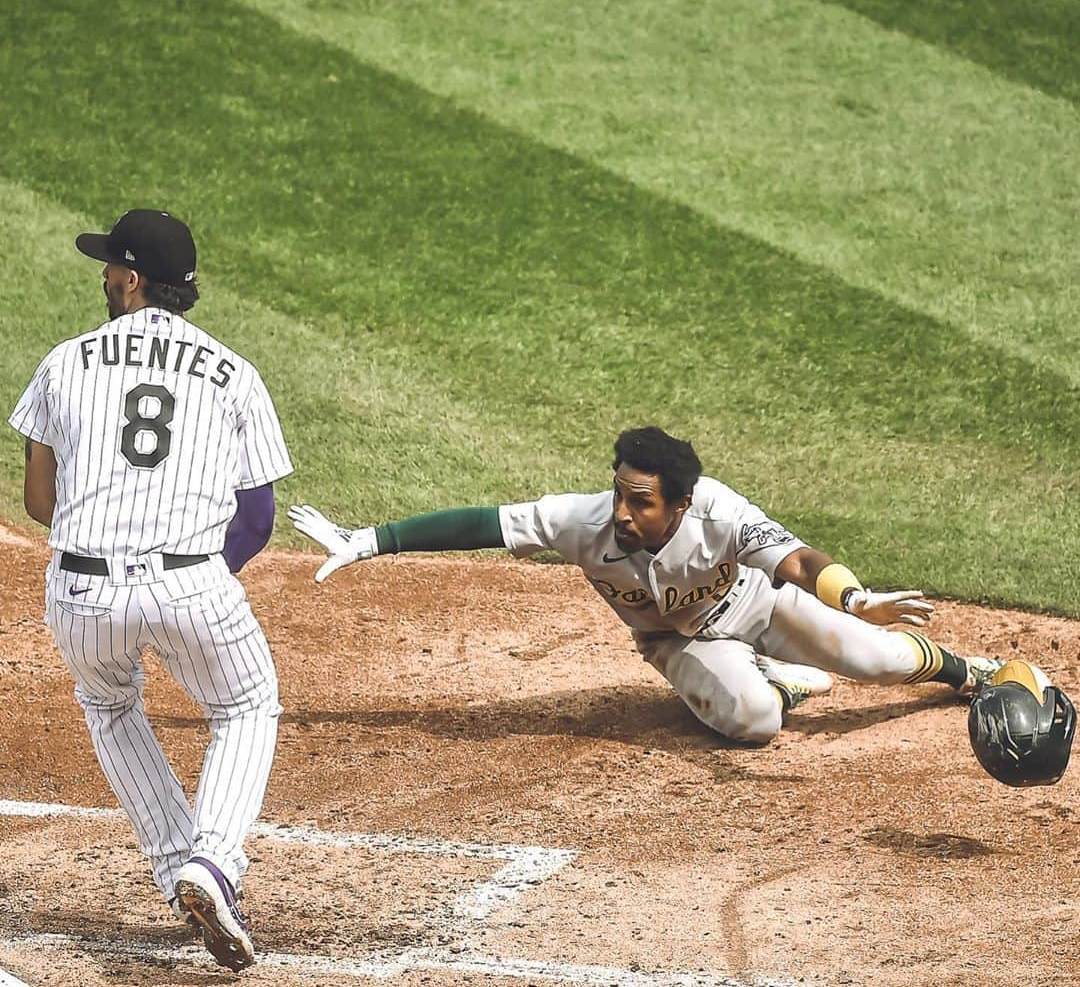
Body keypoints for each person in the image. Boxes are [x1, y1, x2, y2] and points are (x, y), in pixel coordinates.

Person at [290, 426, 1001, 744]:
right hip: (676, 641)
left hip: (756, 606)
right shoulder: (582, 521)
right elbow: (483, 522)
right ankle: (775, 684)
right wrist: (370, 540)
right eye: (621, 494)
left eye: (643, 502)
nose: (624, 514)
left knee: (877, 658)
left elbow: (799, 562)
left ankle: (972, 672)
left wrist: (855, 601)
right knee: (755, 723)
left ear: (682, 503)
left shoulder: (720, 511)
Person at [8, 209, 293, 971]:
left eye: (109, 266)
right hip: (190, 583)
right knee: (244, 704)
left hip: (80, 591)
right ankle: (213, 864)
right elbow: (258, 517)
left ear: (132, 279)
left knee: (109, 707)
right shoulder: (235, 372)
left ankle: (177, 870)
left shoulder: (62, 362)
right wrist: (192, 584)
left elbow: (42, 505)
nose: (103, 276)